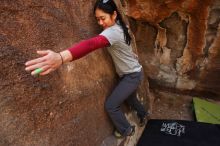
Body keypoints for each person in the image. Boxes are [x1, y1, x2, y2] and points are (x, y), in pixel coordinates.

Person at [25, 0, 148, 138]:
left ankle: (126, 130)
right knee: (131, 99)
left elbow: (90, 45)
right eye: (97, 19)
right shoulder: (120, 25)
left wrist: (60, 57)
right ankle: (144, 114)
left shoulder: (113, 33)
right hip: (132, 73)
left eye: (103, 18)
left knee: (111, 105)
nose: (100, 23)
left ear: (114, 14)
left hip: (131, 76)